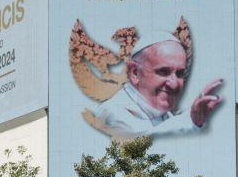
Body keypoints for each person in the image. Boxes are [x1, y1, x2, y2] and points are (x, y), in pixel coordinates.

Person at [90, 34, 223, 138]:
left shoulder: (165, 116)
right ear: (134, 73)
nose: (174, 83)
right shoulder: (111, 112)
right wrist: (192, 120)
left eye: (180, 73)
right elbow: (142, 145)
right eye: (163, 72)